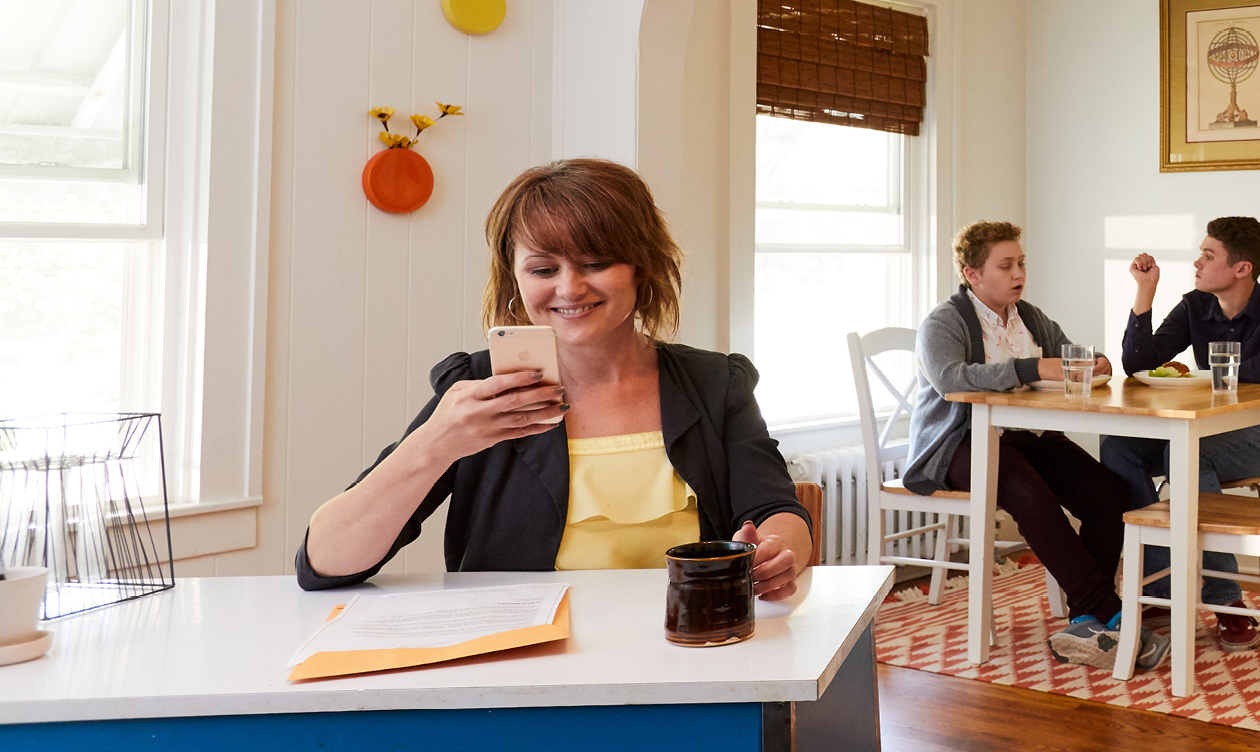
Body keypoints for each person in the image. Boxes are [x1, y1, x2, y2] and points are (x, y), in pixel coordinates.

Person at [298, 159, 815, 600]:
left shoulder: (714, 382)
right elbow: (324, 564)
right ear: (514, 278)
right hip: (519, 669)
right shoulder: (475, 390)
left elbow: (775, 510)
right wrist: (434, 444)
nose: (570, 288)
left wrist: (776, 552)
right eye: (544, 270)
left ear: (643, 267)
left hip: (690, 648)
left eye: (595, 262)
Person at [900, 221, 1171, 671]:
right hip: (960, 443)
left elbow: (1065, 357)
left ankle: (1087, 619)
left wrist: (1095, 360)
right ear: (972, 274)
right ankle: (1113, 612)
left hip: (1030, 438)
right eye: (1005, 265)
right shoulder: (943, 323)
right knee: (1033, 498)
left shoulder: (1029, 316)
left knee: (1110, 493)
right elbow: (952, 380)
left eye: (1021, 263)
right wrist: (1029, 367)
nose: (1017, 272)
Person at [1106, 216, 1260, 652]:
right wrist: (1145, 293)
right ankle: (1161, 587)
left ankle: (1227, 601)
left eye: (1208, 255)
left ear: (1242, 268)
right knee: (1119, 447)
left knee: (1188, 454)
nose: (1197, 263)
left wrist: (1200, 376)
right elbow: (1138, 362)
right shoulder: (1196, 305)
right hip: (1206, 432)